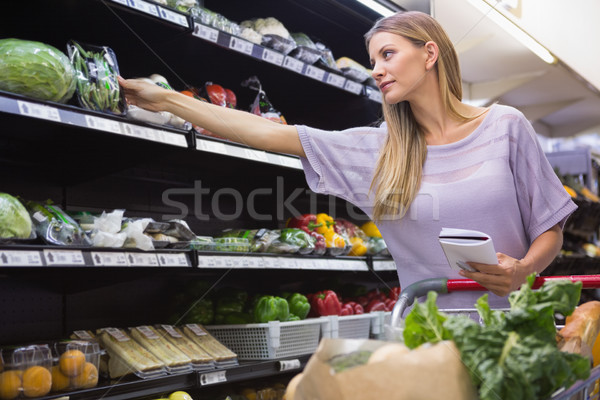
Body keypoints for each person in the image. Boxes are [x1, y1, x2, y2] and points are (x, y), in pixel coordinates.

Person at [118, 11, 576, 309]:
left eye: (388, 55)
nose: (376, 69)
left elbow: (550, 230)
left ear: (429, 53)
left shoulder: (506, 126)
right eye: (372, 60)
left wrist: (521, 270)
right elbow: (268, 132)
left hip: (516, 330)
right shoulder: (380, 151)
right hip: (427, 341)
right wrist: (166, 100)